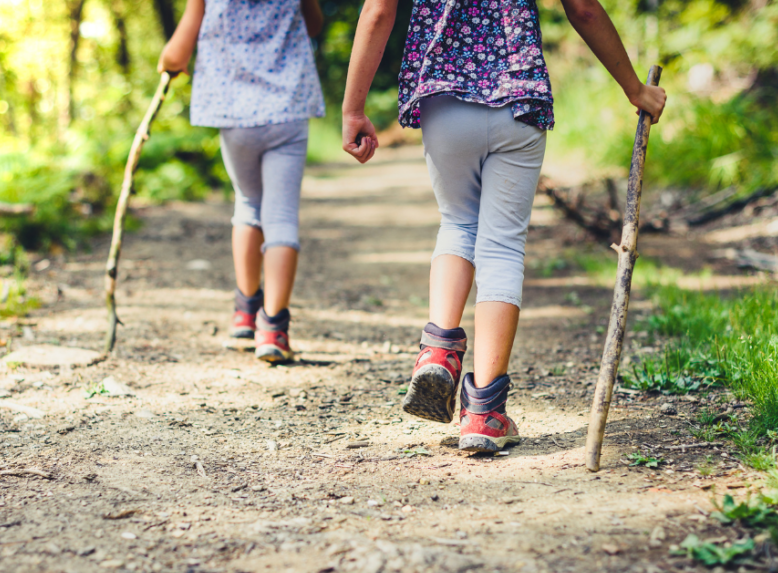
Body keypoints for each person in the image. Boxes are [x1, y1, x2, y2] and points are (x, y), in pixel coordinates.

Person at [340, 0, 666, 451]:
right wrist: (634, 89)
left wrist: (353, 109)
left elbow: (378, 11)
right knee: (502, 247)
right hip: (519, 100)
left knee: (457, 224)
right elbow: (584, 9)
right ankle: (484, 412)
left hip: (445, 100)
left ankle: (438, 351)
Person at [158, 0, 325, 363]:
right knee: (281, 218)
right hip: (287, 109)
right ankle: (274, 328)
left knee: (248, 204)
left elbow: (179, 49)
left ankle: (245, 313)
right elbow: (314, 24)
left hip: (234, 112)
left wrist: (170, 61)